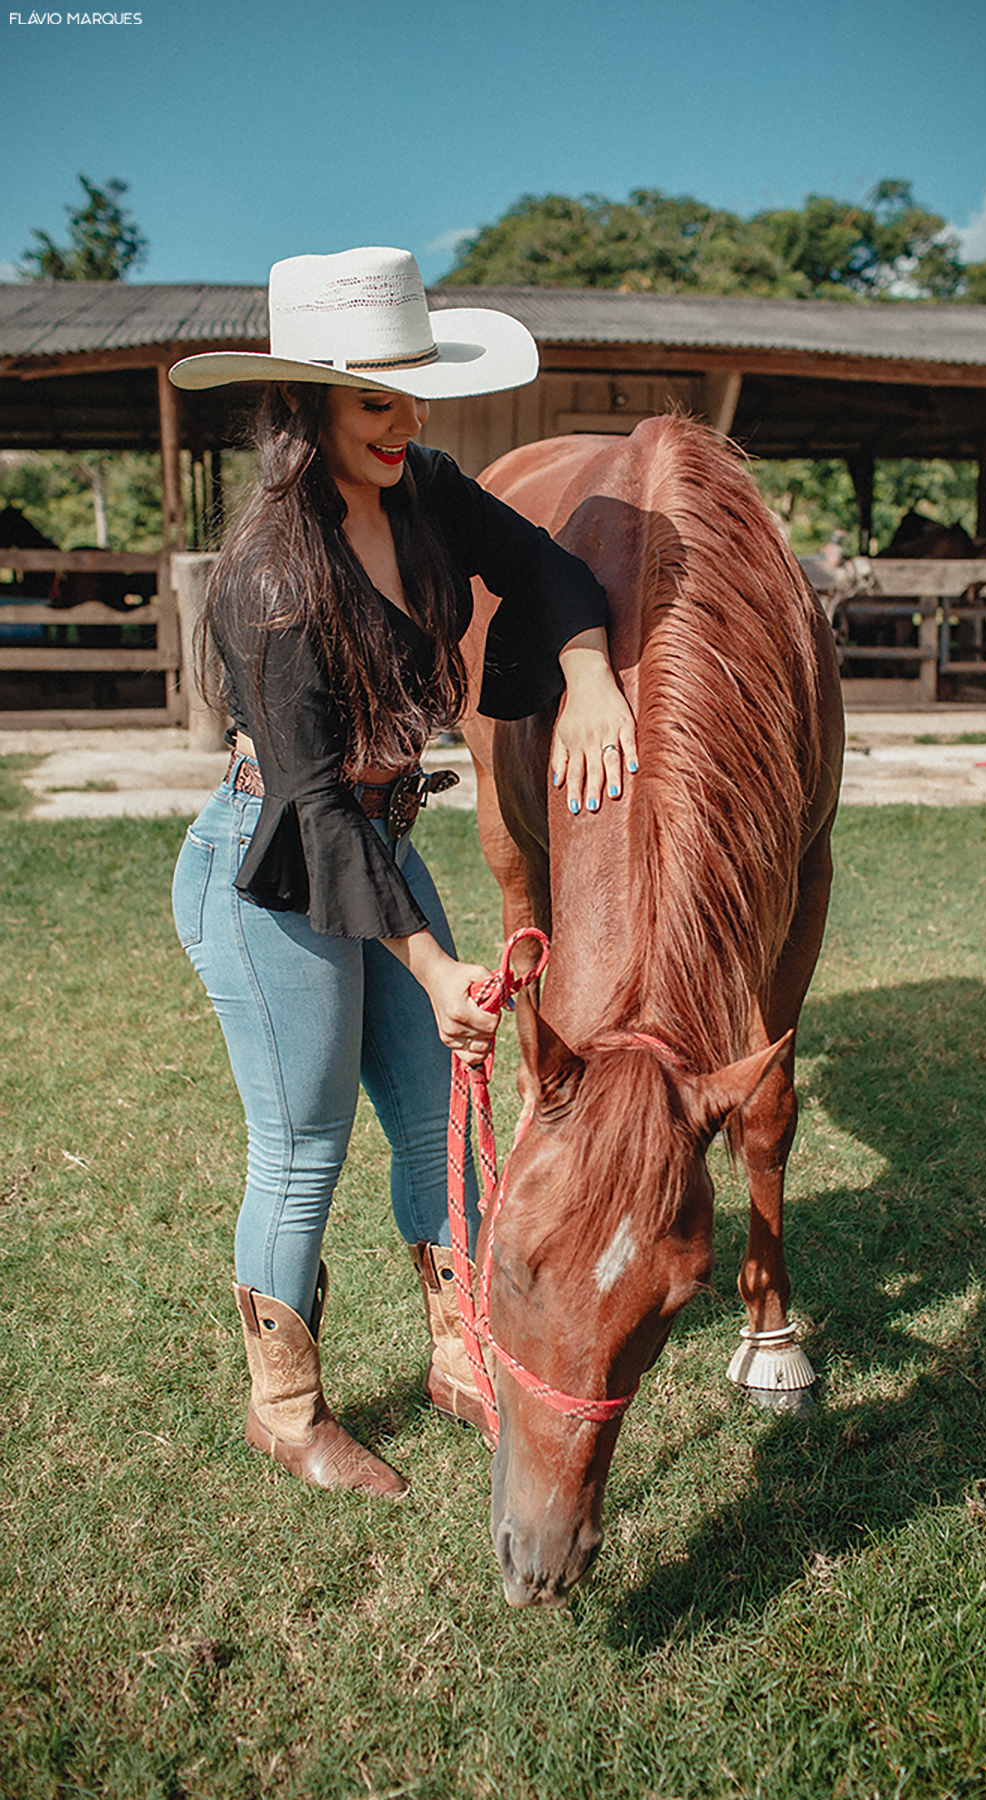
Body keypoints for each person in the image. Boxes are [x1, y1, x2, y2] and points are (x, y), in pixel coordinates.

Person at [168, 247, 636, 1497]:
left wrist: (587, 673)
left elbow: (543, 566)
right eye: (377, 400)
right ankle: (286, 1407)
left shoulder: (425, 489)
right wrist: (430, 963)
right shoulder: (273, 574)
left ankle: (457, 1352)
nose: (407, 423)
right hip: (272, 866)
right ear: (308, 403)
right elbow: (315, 811)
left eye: (412, 394)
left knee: (437, 1116)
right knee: (304, 1143)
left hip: (373, 841)